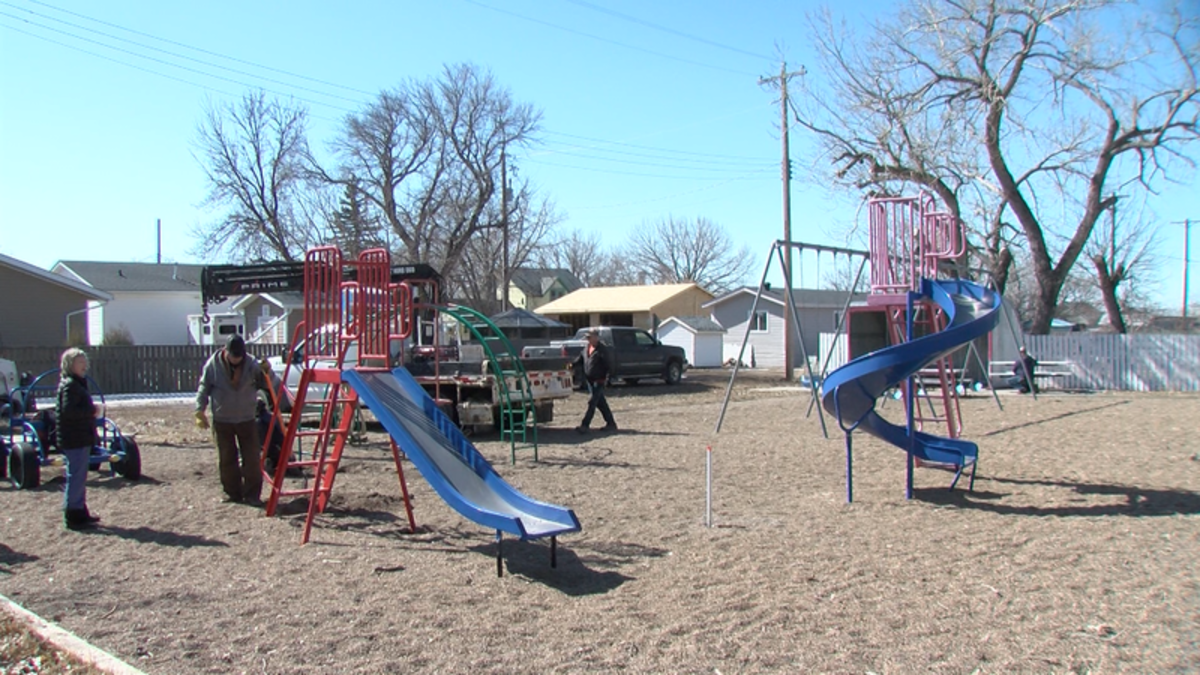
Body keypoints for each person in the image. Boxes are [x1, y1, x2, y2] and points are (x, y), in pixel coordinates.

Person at [196, 334, 270, 505]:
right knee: (227, 458)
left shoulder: (252, 364)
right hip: (222, 420)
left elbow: (267, 385)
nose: (237, 359)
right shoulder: (213, 365)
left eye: (239, 356)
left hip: (246, 419)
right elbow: (203, 387)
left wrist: (267, 371)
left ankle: (252, 495)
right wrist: (199, 410)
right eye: (234, 356)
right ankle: (232, 493)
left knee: (252, 458)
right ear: (226, 352)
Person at [56, 348, 103, 530]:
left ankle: (79, 510)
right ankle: (73, 514)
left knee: (78, 475)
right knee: (76, 475)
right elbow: (69, 412)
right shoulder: (70, 386)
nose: (84, 366)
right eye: (80, 362)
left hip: (78, 436)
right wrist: (92, 411)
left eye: (85, 362)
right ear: (70, 365)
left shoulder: (76, 384)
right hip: (74, 437)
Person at [573, 329, 617, 434]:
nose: (588, 339)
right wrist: (569, 365)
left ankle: (585, 425)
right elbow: (579, 360)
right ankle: (611, 424)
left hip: (599, 380)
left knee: (592, 403)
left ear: (596, 337)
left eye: (590, 337)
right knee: (601, 403)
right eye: (587, 337)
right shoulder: (586, 349)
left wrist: (608, 378)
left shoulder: (602, 350)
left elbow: (609, 364)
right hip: (590, 381)